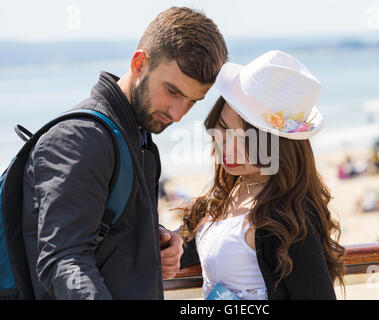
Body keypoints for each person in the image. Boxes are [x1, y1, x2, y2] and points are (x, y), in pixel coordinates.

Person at [21, 7, 228, 299]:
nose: (178, 113)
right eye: (172, 91)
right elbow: (64, 261)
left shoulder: (137, 134)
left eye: (192, 101)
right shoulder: (80, 138)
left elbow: (102, 231)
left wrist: (154, 241)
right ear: (140, 62)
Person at [178, 51, 345, 299]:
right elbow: (193, 251)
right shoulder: (230, 192)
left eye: (245, 140)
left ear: (276, 147)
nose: (227, 146)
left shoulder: (289, 217)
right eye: (223, 128)